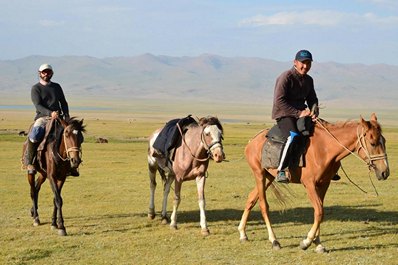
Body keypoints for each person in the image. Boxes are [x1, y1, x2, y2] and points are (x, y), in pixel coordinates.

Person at [271, 50, 319, 183]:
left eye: (308, 63)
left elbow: (312, 99)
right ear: (295, 62)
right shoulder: (285, 77)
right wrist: (299, 113)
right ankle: (281, 170)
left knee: (324, 131)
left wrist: (314, 111)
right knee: (292, 136)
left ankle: (327, 168)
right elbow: (279, 101)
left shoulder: (309, 80)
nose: (305, 66)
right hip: (284, 114)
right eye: (303, 63)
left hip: (301, 114)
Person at [25, 63, 79, 176]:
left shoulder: (57, 87)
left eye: (48, 72)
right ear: (39, 73)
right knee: (35, 134)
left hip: (59, 117)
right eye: (44, 72)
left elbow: (63, 102)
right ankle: (30, 162)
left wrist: (67, 116)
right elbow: (38, 105)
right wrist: (50, 113)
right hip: (43, 117)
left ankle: (73, 165)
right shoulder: (36, 88)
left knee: (73, 134)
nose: (46, 74)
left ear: (52, 73)